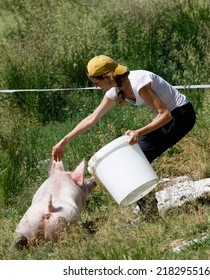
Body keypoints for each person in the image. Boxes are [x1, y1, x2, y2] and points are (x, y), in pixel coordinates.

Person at [52, 55, 196, 218]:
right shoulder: (115, 90)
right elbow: (92, 119)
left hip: (182, 116)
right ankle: (149, 210)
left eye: (96, 82)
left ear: (107, 77)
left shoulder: (138, 82)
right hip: (168, 118)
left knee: (136, 159)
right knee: (135, 158)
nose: (96, 87)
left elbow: (165, 115)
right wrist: (64, 141)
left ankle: (150, 213)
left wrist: (139, 132)